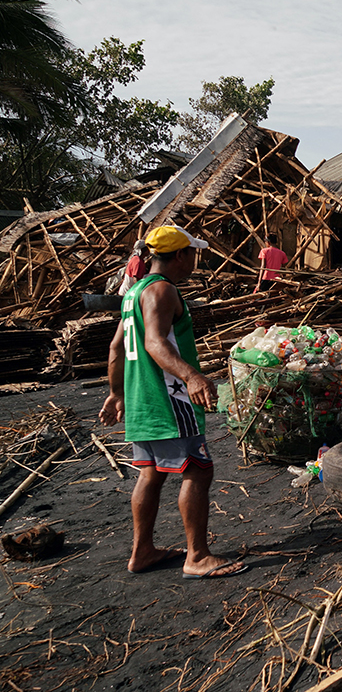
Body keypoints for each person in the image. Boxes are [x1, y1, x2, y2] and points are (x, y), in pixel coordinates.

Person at [100, 225, 247, 579]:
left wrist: (117, 393)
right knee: (198, 469)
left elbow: (116, 347)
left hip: (140, 401)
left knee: (151, 473)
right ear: (181, 255)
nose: (195, 259)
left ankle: (143, 551)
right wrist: (191, 376)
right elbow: (154, 342)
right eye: (193, 253)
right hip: (168, 397)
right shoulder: (162, 291)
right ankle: (197, 556)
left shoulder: (133, 292)